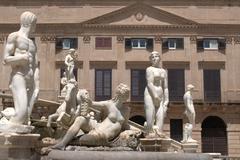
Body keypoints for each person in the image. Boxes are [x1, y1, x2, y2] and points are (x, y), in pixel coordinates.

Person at [52, 83, 130, 150]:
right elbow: (92, 103)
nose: (127, 97)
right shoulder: (109, 104)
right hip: (97, 126)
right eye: (125, 94)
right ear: (118, 94)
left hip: (102, 135)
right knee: (80, 119)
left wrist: (139, 130)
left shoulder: (126, 110)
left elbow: (126, 125)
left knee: (84, 139)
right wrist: (86, 98)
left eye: (127, 95)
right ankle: (62, 144)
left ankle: (65, 142)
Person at [3, 11, 39, 126]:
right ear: (29, 22)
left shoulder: (32, 43)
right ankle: (4, 124)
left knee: (26, 117)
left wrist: (37, 86)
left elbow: (35, 65)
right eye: (35, 23)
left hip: (30, 79)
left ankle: (19, 137)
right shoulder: (14, 36)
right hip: (19, 75)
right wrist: (20, 58)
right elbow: (6, 59)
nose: (35, 26)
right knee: (22, 112)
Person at [144, 51, 169, 137]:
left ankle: (159, 134)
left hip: (160, 94)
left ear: (159, 58)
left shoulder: (163, 71)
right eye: (152, 57)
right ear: (150, 60)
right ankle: (149, 131)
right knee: (150, 115)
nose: (154, 58)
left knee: (160, 117)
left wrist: (166, 101)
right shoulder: (149, 69)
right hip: (150, 94)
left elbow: (165, 87)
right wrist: (155, 96)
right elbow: (149, 83)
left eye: (156, 56)